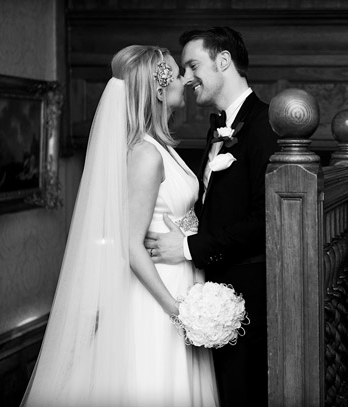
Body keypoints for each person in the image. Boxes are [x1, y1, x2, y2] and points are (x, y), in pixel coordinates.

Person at [21, 45, 218, 407]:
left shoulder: (161, 145)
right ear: (159, 90)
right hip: (159, 290)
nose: (184, 81)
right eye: (176, 74)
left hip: (182, 276)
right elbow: (129, 245)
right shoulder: (145, 154)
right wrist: (177, 311)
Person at [145, 27, 279, 406]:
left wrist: (188, 246)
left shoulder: (266, 125)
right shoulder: (218, 128)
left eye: (192, 65)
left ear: (223, 61)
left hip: (247, 293)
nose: (185, 79)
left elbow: (264, 221)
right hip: (211, 290)